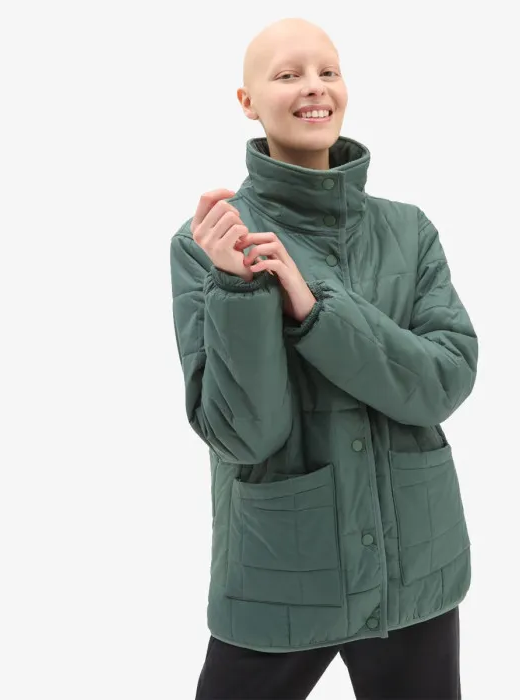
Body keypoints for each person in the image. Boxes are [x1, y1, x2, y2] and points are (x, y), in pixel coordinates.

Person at [169, 16, 479, 700]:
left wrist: (316, 310)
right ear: (247, 101)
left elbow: (445, 380)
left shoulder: (409, 231)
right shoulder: (206, 246)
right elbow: (244, 435)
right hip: (280, 572)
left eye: (328, 71)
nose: (314, 87)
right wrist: (239, 291)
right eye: (288, 75)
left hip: (414, 568)